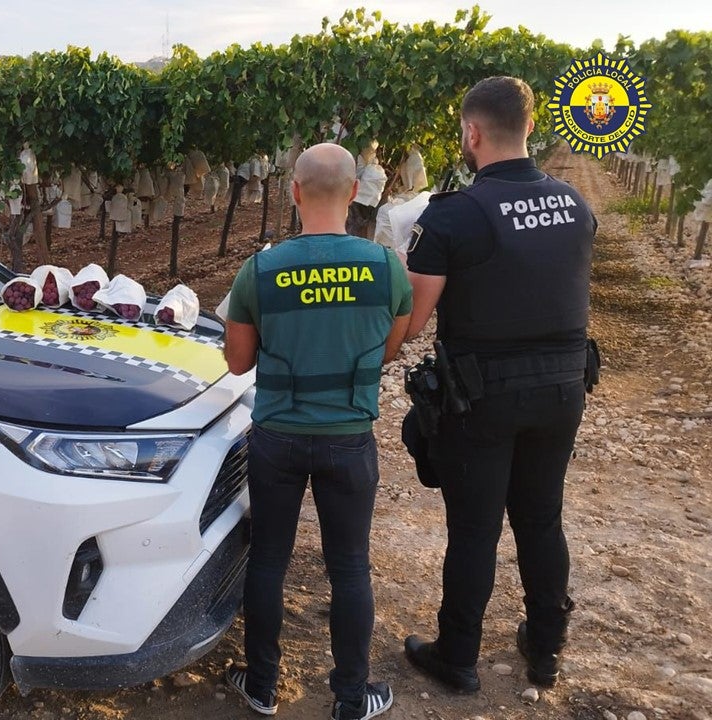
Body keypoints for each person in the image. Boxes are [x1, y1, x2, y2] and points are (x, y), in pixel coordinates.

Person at [401, 76, 596, 693]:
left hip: (480, 398)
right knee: (542, 520)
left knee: (476, 530)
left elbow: (411, 324)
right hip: (564, 392)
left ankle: (457, 656)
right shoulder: (575, 204)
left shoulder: (453, 217)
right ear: (531, 128)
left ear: (472, 133)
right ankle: (546, 650)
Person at [222, 142, 412, 720]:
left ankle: (260, 686)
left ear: (294, 192)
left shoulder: (260, 270)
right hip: (348, 440)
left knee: (270, 559)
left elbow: (236, 362)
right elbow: (390, 348)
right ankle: (351, 699)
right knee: (350, 565)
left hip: (276, 439)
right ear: (355, 192)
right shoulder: (386, 268)